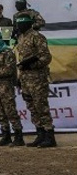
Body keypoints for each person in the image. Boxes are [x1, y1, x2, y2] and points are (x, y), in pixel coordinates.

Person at [15, 15, 57, 147]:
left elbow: (46, 57)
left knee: (41, 106)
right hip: (25, 78)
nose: (18, 27)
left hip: (38, 78)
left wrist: (31, 65)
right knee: (32, 107)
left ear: (27, 24)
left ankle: (50, 136)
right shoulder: (21, 37)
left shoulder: (37, 36)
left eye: (21, 24)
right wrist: (20, 77)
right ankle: (40, 134)